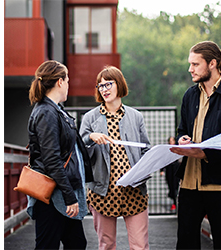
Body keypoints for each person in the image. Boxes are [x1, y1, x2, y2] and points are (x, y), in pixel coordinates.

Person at [170, 41, 221, 249]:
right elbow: (182, 129)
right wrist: (183, 139)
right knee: (185, 244)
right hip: (189, 183)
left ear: (212, 63)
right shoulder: (189, 95)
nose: (190, 69)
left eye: (195, 64)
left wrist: (203, 153)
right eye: (190, 64)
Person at [78, 66, 150, 250]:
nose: (104, 89)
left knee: (140, 246)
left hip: (134, 190)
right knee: (107, 245)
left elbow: (145, 149)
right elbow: (80, 152)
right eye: (100, 86)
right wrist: (90, 138)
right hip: (103, 191)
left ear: (119, 85)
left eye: (108, 84)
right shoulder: (89, 118)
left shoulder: (136, 116)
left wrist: (144, 169)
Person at [26, 60, 91, 249]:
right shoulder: (47, 112)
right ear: (60, 82)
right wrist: (70, 197)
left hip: (59, 191)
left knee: (77, 243)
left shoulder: (56, 110)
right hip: (53, 195)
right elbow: (52, 159)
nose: (69, 84)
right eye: (68, 79)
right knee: (48, 245)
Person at [162, 136, 181, 210]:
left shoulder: (178, 149)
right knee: (170, 185)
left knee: (176, 185)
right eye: (170, 141)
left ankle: (176, 202)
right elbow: (164, 160)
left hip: (176, 169)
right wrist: (162, 170)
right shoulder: (167, 150)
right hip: (169, 169)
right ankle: (174, 202)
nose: (171, 142)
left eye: (172, 140)